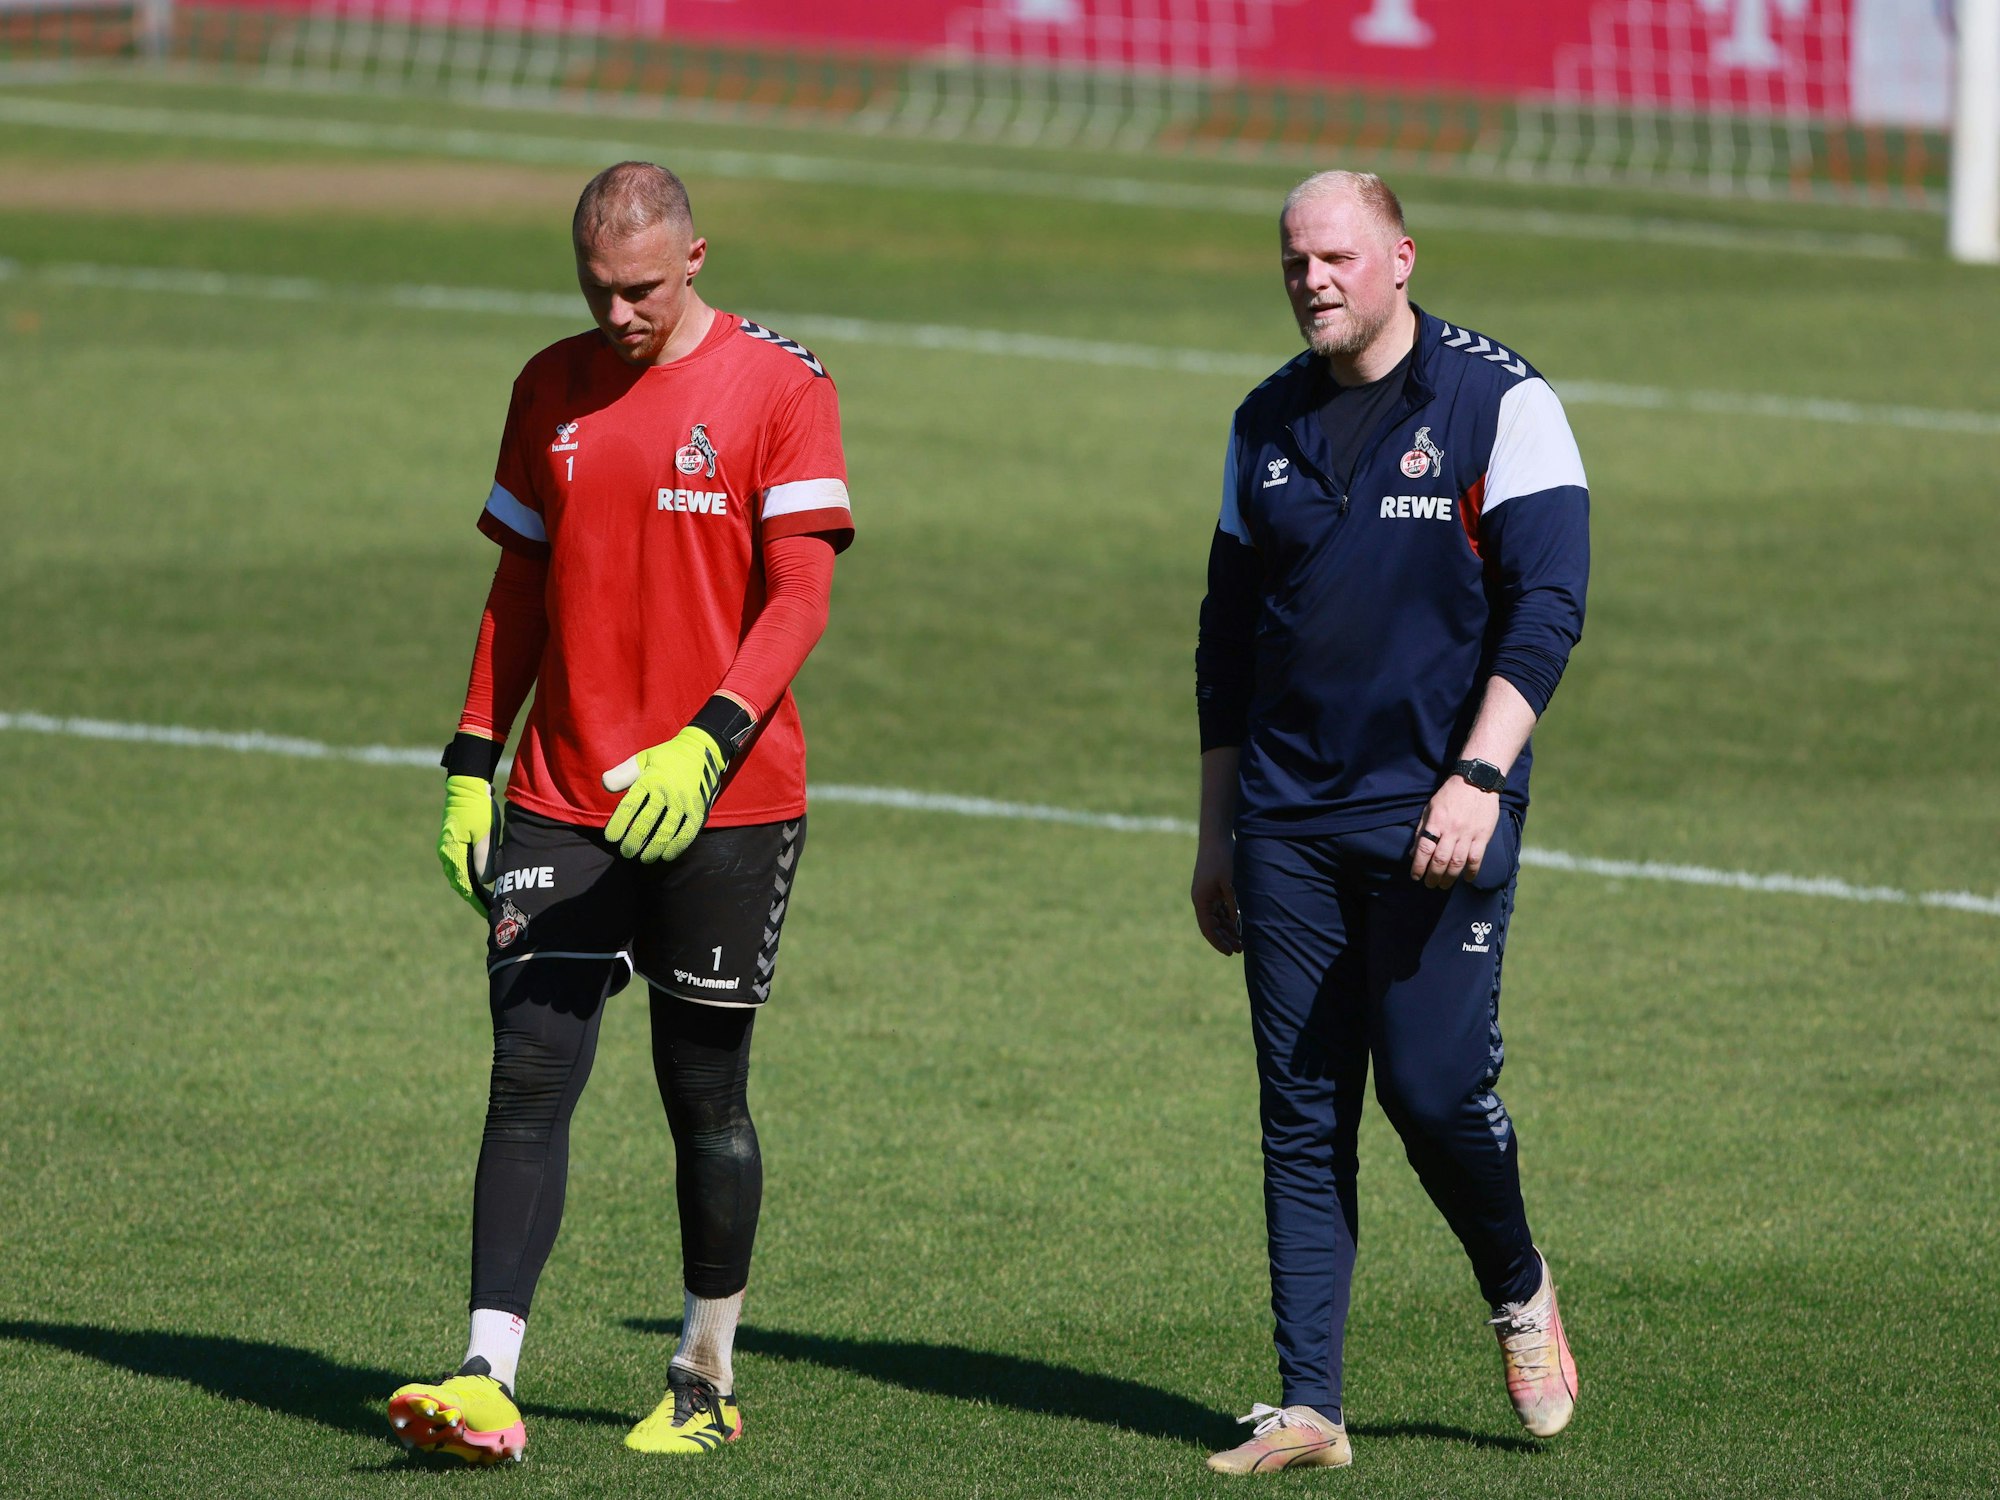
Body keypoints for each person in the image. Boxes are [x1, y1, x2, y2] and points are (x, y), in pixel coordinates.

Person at [384, 160, 854, 1465]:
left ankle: (705, 1375)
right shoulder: (551, 384)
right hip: (561, 795)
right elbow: (518, 588)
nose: (620, 314)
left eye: (642, 289)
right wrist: (474, 755)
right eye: (597, 290)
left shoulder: (782, 388)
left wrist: (707, 746)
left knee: (701, 1092)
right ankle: (486, 1373)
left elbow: (798, 600)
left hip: (728, 801)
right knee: (527, 1076)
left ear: (697, 257)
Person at [1192, 170, 1588, 1474]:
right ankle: (1311, 1405)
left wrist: (1476, 780)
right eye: (1295, 257)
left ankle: (1519, 1288)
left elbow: (1545, 609)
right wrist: (1215, 833)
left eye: (1340, 256)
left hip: (1439, 810)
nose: (1314, 277)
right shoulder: (1263, 425)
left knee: (1429, 1090)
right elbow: (1223, 643)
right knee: (1300, 1107)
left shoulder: (1500, 404)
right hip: (1288, 824)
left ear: (1401, 257)